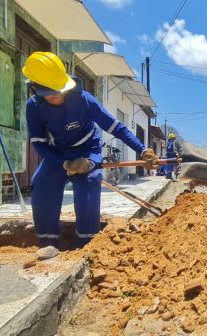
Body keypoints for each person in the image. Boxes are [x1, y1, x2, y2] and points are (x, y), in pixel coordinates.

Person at [23, 52, 158, 249]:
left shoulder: (85, 100)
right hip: (59, 153)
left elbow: (116, 128)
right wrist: (66, 163)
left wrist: (142, 149)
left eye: (62, 91)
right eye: (53, 95)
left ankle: (86, 243)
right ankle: (47, 241)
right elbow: (39, 144)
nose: (59, 96)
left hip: (88, 149)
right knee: (41, 183)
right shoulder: (34, 107)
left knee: (90, 181)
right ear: (35, 89)